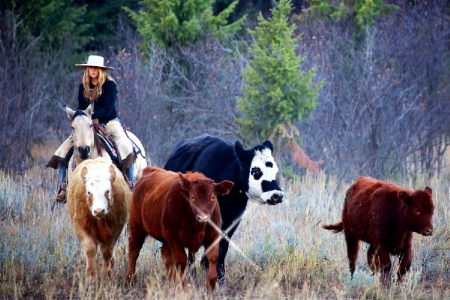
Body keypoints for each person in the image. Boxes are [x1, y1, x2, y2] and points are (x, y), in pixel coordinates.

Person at [46, 55, 135, 203]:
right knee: (65, 148)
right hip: (86, 123)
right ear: (88, 69)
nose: (93, 70)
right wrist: (82, 118)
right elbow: (81, 107)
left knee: (125, 145)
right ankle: (63, 186)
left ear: (101, 70)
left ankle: (131, 182)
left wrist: (90, 116)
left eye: (96, 68)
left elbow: (108, 109)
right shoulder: (83, 85)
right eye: (91, 67)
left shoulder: (109, 85)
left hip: (109, 121)